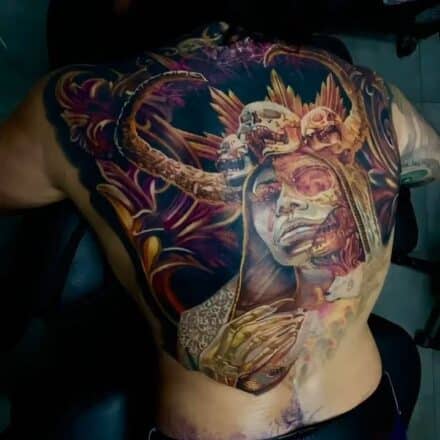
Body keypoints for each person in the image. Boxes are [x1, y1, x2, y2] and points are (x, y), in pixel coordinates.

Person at [0, 3, 437, 438]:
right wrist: (377, 160)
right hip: (368, 416)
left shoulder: (78, 105)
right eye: (268, 192)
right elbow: (429, 162)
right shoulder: (370, 88)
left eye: (310, 182)